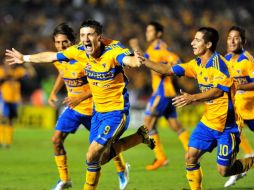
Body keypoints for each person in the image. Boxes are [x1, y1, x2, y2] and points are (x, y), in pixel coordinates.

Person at [5, 19, 155, 190]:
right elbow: (50, 56)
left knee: (92, 155)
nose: (85, 39)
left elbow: (127, 60)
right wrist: (24, 58)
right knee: (99, 158)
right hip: (97, 112)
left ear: (99, 37)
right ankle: (139, 137)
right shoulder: (78, 51)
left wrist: (136, 61)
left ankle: (116, 172)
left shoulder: (113, 50)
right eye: (83, 35)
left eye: (90, 34)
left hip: (116, 111)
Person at [140, 27, 254, 190]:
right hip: (207, 123)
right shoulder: (197, 63)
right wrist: (144, 61)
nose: (192, 43)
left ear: (208, 44)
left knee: (224, 171)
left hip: (227, 127)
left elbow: (217, 92)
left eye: (197, 40)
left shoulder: (221, 64)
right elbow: (167, 69)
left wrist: (192, 98)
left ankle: (251, 161)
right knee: (190, 157)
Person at [34, 23, 132, 190]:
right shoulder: (62, 59)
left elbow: (100, 85)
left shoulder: (84, 58)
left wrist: (80, 97)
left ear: (72, 41)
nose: (60, 46)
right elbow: (62, 74)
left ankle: (122, 170)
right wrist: (53, 92)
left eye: (64, 42)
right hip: (73, 108)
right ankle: (65, 179)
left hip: (92, 108)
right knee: (56, 139)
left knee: (103, 148)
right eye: (57, 43)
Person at [129, 21, 189, 171]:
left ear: (159, 33)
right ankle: (192, 149)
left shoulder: (160, 47)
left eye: (150, 31)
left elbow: (177, 61)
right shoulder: (154, 48)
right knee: (175, 125)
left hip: (162, 93)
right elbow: (143, 58)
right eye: (147, 30)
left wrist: (167, 71)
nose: (147, 33)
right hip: (168, 93)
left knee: (148, 123)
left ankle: (161, 157)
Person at [224, 25, 254, 188]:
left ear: (243, 41)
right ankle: (236, 171)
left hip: (252, 108)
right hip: (237, 109)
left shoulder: (248, 60)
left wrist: (239, 86)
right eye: (229, 37)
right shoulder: (225, 59)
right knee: (232, 139)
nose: (232, 41)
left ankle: (248, 161)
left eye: (236, 37)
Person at [0, 58, 35, 148]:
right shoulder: (1, 70)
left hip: (14, 99)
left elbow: (32, 75)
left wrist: (28, 64)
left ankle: (8, 142)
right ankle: (1, 140)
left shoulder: (18, 71)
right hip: (4, 99)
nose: (9, 63)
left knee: (11, 120)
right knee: (3, 119)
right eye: (7, 61)